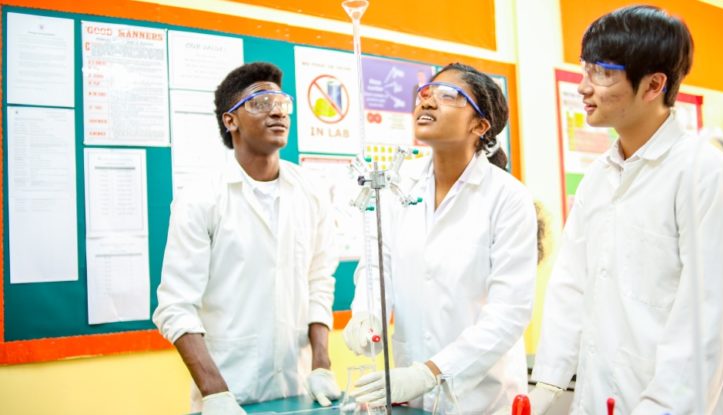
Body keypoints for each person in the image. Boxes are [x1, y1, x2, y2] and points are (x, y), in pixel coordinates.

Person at [530, 6, 723, 414]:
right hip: (601, 398)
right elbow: (572, 283)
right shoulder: (599, 176)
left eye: (601, 73)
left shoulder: (704, 170)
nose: (583, 87)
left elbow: (707, 319)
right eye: (584, 69)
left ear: (653, 85)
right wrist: (547, 383)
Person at [344, 62, 538, 413]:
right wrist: (366, 314)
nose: (428, 101)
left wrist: (432, 371)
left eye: (449, 95)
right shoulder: (399, 185)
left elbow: (509, 312)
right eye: (425, 93)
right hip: (414, 399)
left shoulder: (508, 198)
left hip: (483, 400)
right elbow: (377, 265)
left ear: (480, 125)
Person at [153, 62, 341, 414]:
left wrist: (321, 365)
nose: (277, 112)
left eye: (282, 103)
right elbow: (175, 307)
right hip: (229, 391)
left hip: (299, 390)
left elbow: (319, 283)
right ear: (231, 120)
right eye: (261, 102)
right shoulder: (200, 198)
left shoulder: (312, 191)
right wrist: (215, 393)